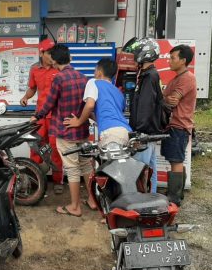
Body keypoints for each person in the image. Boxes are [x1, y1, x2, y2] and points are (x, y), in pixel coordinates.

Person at [32, 44, 91, 217]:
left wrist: (37, 116)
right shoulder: (83, 77)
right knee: (86, 166)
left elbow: (49, 103)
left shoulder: (59, 78)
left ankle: (75, 207)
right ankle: (93, 200)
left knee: (72, 169)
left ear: (54, 60)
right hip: (82, 130)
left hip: (66, 131)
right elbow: (89, 104)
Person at [20, 39, 64, 194]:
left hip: (55, 116)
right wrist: (26, 97)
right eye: (49, 53)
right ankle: (35, 179)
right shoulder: (34, 69)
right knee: (35, 146)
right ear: (41, 53)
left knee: (55, 148)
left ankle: (58, 181)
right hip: (39, 116)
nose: (52, 55)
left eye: (53, 52)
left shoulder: (59, 68)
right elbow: (32, 88)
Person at [64, 58, 132, 147]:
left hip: (111, 133)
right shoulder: (118, 92)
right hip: (126, 131)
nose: (94, 73)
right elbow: (108, 113)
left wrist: (79, 121)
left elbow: (90, 105)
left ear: (99, 72)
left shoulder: (94, 82)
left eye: (95, 70)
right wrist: (89, 115)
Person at [160, 44, 196, 206]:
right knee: (174, 159)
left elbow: (172, 100)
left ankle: (174, 197)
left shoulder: (187, 78)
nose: (169, 60)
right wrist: (165, 98)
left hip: (179, 125)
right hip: (174, 125)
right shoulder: (177, 78)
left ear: (183, 60)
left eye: (173, 58)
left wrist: (164, 99)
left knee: (176, 161)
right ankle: (177, 193)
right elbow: (167, 98)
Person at [128, 37, 163, 193]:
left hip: (145, 133)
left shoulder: (149, 77)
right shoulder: (147, 74)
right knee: (150, 169)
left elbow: (145, 106)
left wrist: (139, 133)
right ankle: (152, 197)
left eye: (136, 53)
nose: (134, 56)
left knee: (140, 170)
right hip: (148, 132)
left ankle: (141, 201)